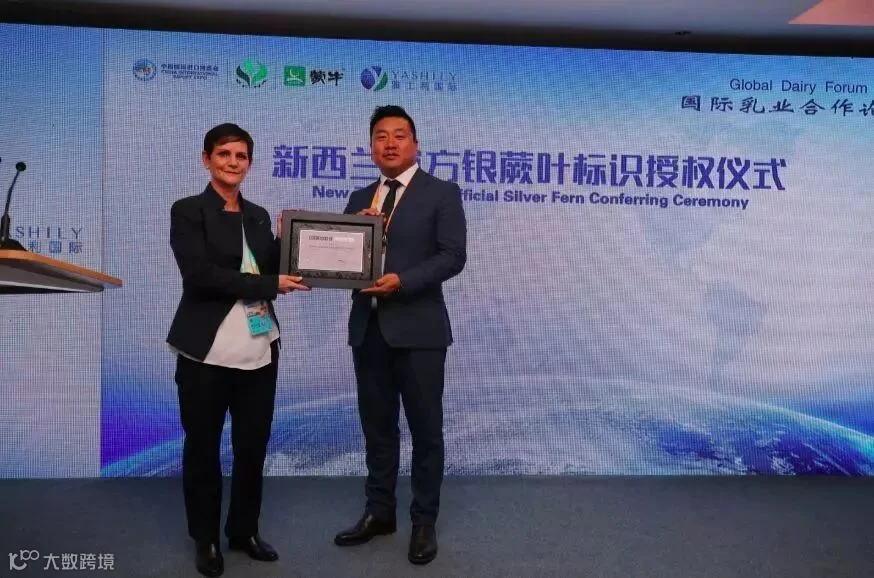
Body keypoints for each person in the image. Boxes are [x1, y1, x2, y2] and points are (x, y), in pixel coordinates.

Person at [167, 123, 309, 577]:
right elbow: (201, 276)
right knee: (203, 449)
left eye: (241, 156)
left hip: (259, 348)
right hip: (205, 353)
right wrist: (270, 282)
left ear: (250, 163)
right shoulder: (188, 211)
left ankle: (244, 531)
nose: (233, 162)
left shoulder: (259, 215)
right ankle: (206, 539)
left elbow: (272, 268)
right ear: (206, 159)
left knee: (253, 447)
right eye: (224, 154)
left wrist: (293, 240)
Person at [333, 106, 467, 565]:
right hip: (368, 329)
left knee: (426, 430)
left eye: (399, 135)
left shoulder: (441, 193)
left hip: (419, 330)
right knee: (377, 428)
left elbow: (452, 256)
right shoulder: (359, 198)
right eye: (380, 136)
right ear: (371, 147)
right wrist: (338, 241)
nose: (389, 143)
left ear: (415, 144)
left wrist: (402, 281)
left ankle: (424, 521)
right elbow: (342, 261)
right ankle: (379, 512)